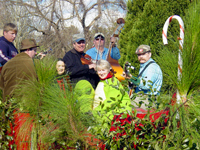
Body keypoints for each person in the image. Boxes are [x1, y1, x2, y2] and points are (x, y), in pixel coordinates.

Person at [93, 60, 131, 126]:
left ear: (108, 70)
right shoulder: (102, 81)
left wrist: (96, 111)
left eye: (103, 70)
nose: (101, 73)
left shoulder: (113, 82)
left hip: (117, 112)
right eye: (99, 70)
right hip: (105, 110)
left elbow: (112, 101)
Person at [124, 45, 163, 109]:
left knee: (126, 109)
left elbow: (146, 85)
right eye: (139, 55)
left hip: (148, 100)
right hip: (142, 98)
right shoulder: (145, 66)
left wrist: (131, 78)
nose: (141, 57)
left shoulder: (152, 68)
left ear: (149, 54)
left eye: (143, 54)